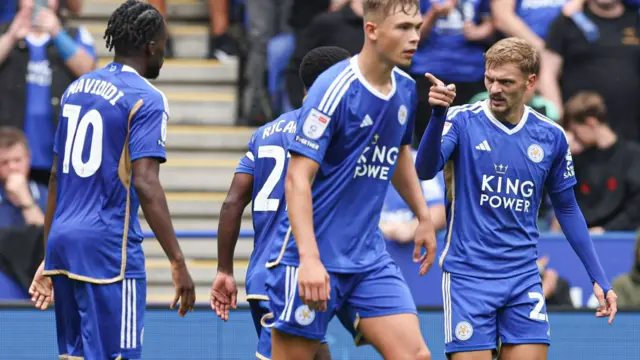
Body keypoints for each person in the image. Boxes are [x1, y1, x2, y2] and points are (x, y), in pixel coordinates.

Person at [415, 37, 618, 360]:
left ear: (530, 82)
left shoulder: (550, 136)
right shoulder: (461, 120)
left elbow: (566, 208)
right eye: (489, 79)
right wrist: (437, 115)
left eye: (506, 82)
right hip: (469, 275)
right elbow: (425, 170)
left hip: (522, 276)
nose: (495, 88)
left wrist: (599, 278)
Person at [264, 0, 437, 359]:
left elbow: (399, 153)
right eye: (403, 28)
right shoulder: (334, 88)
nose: (415, 37)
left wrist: (422, 214)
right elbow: (297, 179)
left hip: (367, 259)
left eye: (417, 27)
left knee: (416, 355)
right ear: (371, 31)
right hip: (308, 257)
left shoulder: (405, 89)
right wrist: (310, 259)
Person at [27, 1, 196, 359]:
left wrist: (50, 254)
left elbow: (56, 177)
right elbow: (146, 184)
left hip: (64, 244)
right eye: (163, 44)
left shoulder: (77, 88)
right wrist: (178, 262)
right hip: (109, 252)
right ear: (151, 45)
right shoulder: (147, 99)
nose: (164, 55)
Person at [210, 45, 352, 360]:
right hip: (288, 274)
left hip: (272, 273)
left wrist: (224, 268)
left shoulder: (266, 133)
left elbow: (233, 203)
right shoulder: (330, 131)